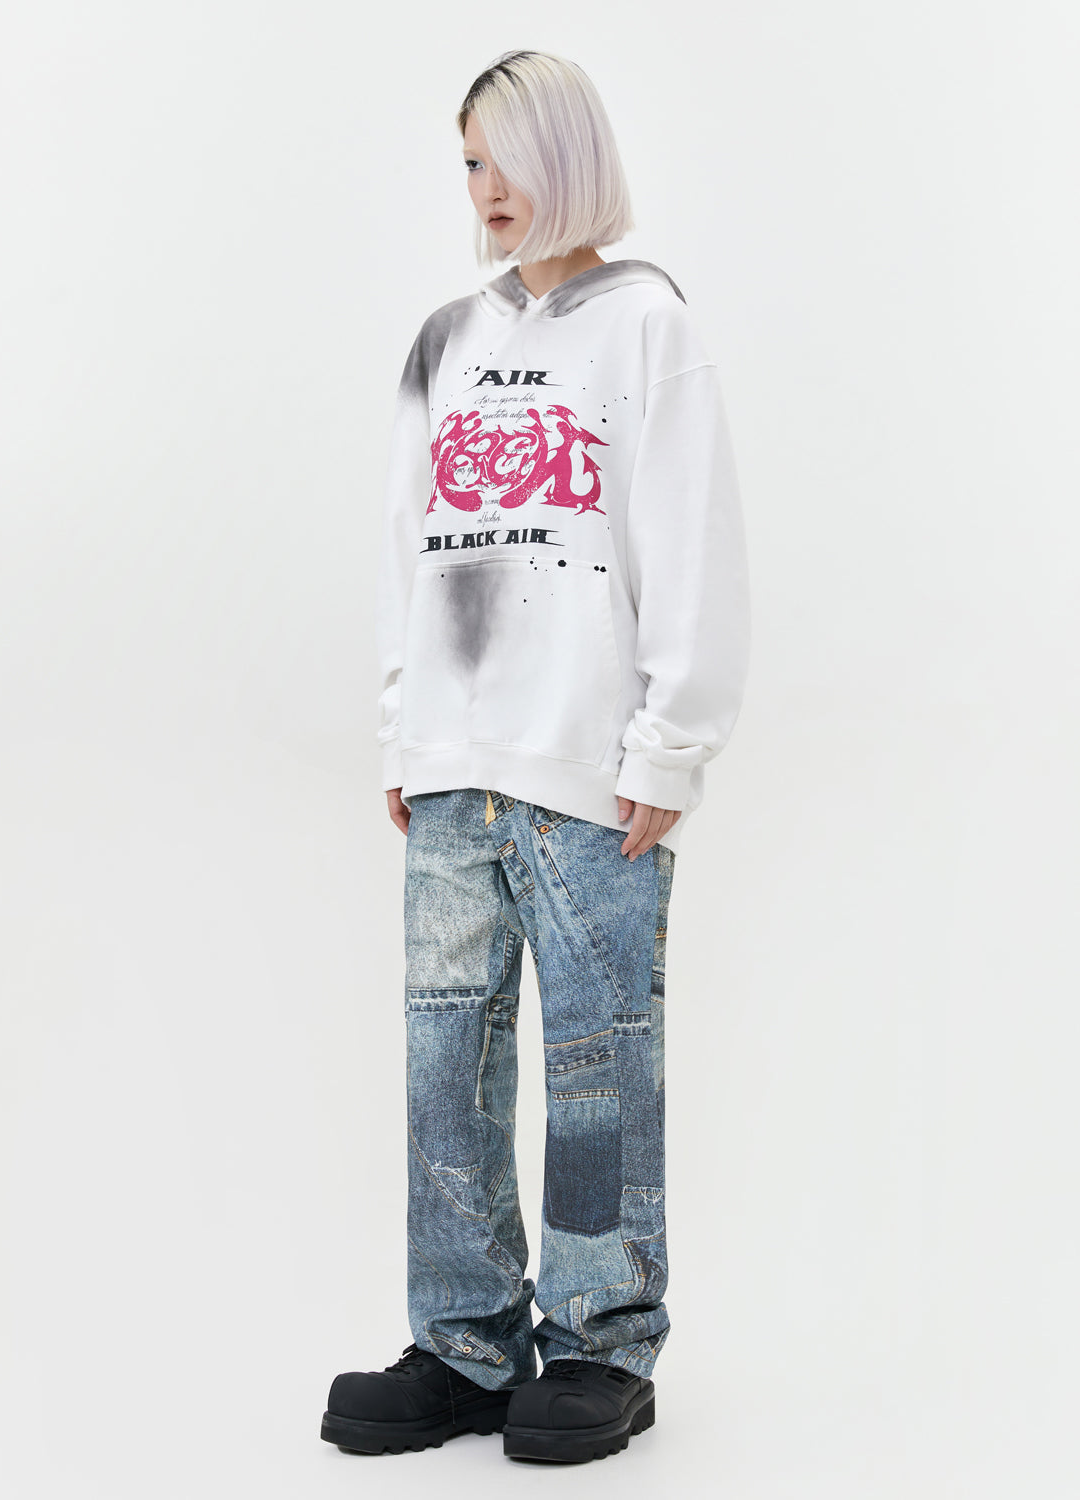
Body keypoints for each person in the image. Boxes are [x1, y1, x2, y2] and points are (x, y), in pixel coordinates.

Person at [320, 48, 750, 1465]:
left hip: (585, 770)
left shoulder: (645, 327)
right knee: (445, 1057)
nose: (484, 187)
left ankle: (602, 1341)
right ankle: (463, 1342)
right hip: (453, 763)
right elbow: (408, 544)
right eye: (467, 161)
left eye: (504, 156)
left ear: (568, 156)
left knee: (597, 1059)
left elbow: (689, 535)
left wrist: (669, 745)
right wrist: (405, 724)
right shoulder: (444, 340)